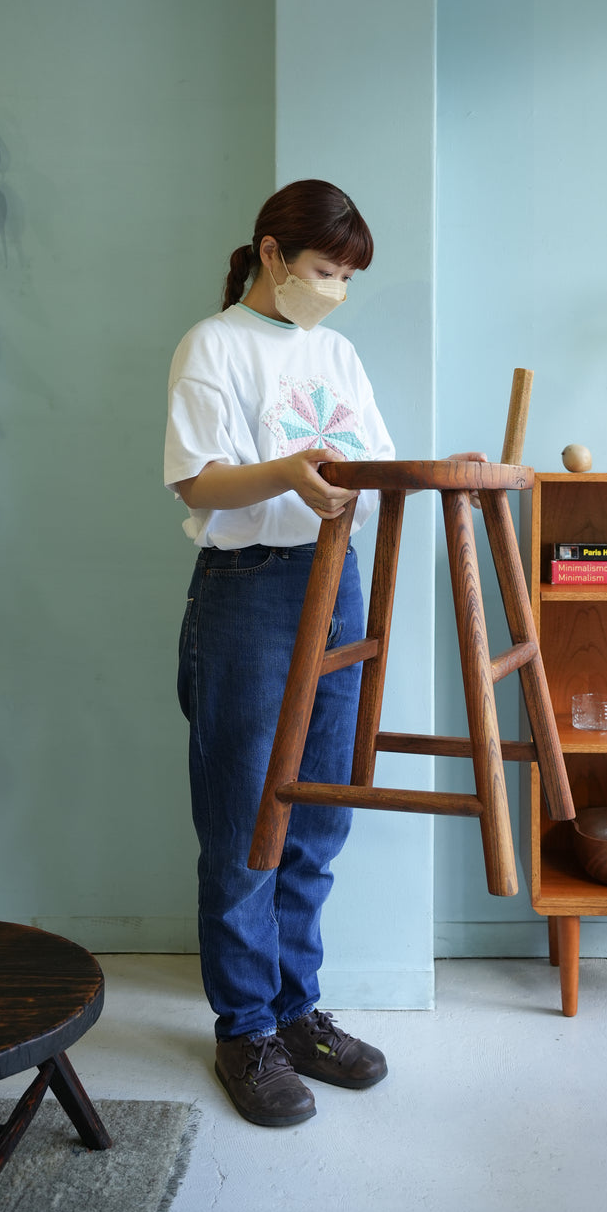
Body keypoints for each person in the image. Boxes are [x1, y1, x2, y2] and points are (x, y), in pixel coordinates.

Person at [164, 179, 395, 1128]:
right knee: (245, 821)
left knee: (320, 815)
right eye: (324, 271)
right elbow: (195, 480)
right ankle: (247, 1030)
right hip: (250, 585)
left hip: (338, 582)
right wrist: (290, 476)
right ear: (272, 254)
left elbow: (372, 461)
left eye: (347, 278)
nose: (335, 290)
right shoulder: (213, 345)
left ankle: (299, 1014)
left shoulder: (336, 354)